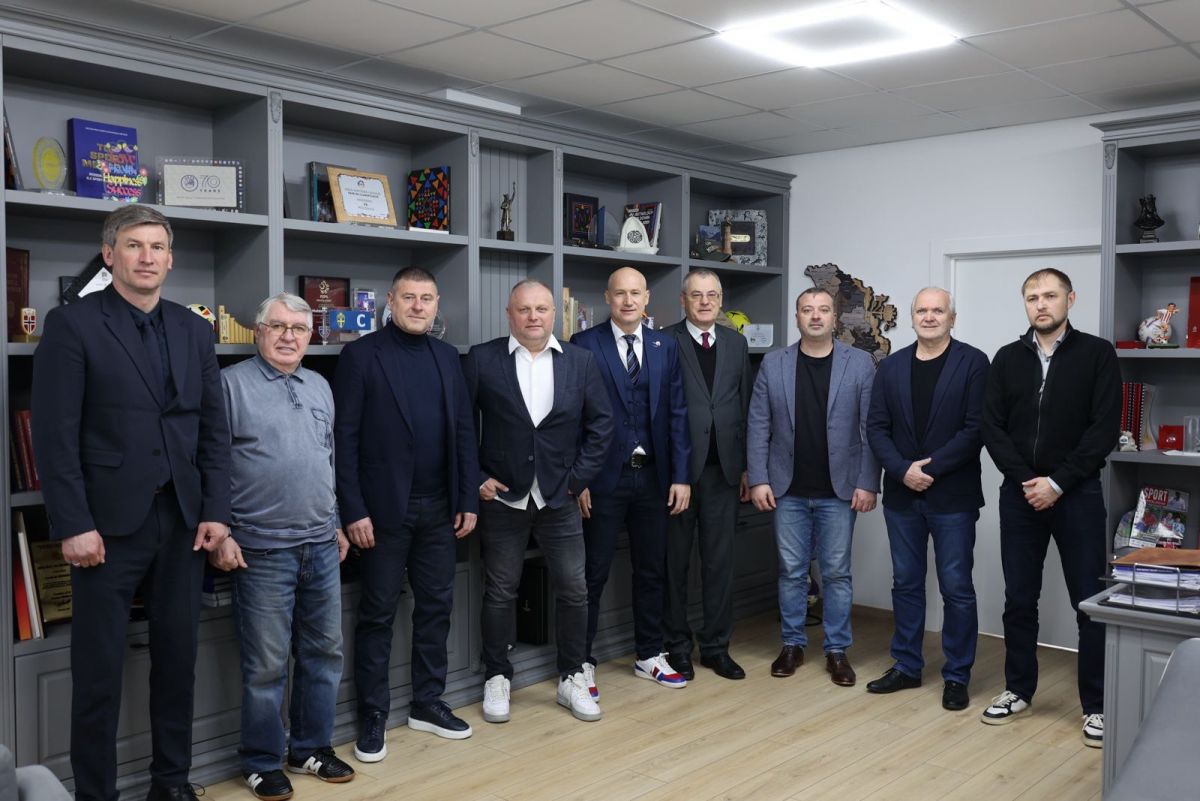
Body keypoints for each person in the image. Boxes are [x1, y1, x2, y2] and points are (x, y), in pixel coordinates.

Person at [31, 205, 231, 801]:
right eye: (135, 245)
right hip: (105, 528)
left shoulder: (194, 328)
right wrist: (73, 523)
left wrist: (216, 511)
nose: (147, 257)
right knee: (97, 675)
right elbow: (55, 435)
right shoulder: (72, 324)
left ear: (171, 258)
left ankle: (171, 785)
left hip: (184, 521)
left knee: (177, 664)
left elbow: (213, 431)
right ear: (110, 254)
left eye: (158, 247)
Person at [212, 293, 354, 800]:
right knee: (266, 665)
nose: (289, 336)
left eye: (298, 328)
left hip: (321, 546)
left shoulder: (320, 386)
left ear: (310, 336)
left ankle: (310, 748)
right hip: (260, 550)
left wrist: (337, 524)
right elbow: (211, 465)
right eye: (278, 326)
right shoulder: (230, 385)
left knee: (324, 654)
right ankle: (261, 761)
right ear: (259, 331)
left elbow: (328, 460)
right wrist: (222, 533)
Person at [333, 267, 479, 760]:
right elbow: (344, 440)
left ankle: (427, 702)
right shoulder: (360, 356)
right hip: (380, 514)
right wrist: (352, 510)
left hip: (441, 509)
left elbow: (465, 433)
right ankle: (373, 715)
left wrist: (467, 499)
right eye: (409, 298)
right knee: (376, 614)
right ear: (390, 302)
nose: (418, 306)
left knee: (436, 608)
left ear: (437, 305)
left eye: (427, 298)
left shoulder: (447, 357)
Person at [980, 268, 1120, 748]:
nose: (1041, 304)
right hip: (1020, 496)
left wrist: (1058, 482)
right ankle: (1018, 689)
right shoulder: (1006, 358)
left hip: (1077, 494)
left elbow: (1104, 429)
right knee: (1019, 598)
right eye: (1032, 297)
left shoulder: (1097, 354)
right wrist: (1028, 482)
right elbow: (992, 427)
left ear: (1070, 300)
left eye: (1050, 296)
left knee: (1090, 601)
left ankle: (1096, 705)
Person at [463, 280, 613, 723]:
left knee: (574, 588)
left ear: (555, 315)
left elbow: (602, 426)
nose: (533, 317)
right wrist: (477, 478)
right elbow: (460, 427)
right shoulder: (482, 359)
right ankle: (497, 675)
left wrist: (577, 479)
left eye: (542, 309)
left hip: (560, 496)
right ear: (509, 314)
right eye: (524, 309)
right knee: (500, 590)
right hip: (501, 497)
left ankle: (572, 675)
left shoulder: (581, 362)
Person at [864, 287, 989, 711]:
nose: (930, 317)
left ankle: (957, 675)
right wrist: (903, 470)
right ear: (913, 317)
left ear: (952, 318)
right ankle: (906, 666)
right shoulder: (891, 366)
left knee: (957, 587)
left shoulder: (973, 362)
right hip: (903, 496)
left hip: (953, 496)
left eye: (938, 310)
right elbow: (876, 427)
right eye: (922, 310)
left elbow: (975, 429)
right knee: (906, 583)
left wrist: (928, 469)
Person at [569, 266, 692, 696]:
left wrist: (681, 477)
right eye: (619, 293)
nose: (627, 301)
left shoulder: (665, 346)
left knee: (651, 570)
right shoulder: (584, 344)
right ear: (607, 297)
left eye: (635, 293)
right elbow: (573, 417)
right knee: (592, 573)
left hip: (654, 479)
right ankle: (580, 662)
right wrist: (579, 479)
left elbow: (678, 414)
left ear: (647, 299)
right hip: (602, 480)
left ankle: (649, 654)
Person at [747, 287, 879, 686]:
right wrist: (759, 478)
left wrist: (868, 482)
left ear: (834, 317)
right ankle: (792, 644)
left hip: (839, 490)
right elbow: (758, 424)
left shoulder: (860, 364)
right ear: (797, 317)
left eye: (823, 310)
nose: (816, 316)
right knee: (791, 571)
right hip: (786, 488)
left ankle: (837, 650)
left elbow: (871, 428)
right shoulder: (774, 363)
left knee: (837, 573)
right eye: (808, 310)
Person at [662, 269, 751, 681]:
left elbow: (745, 406)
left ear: (721, 300)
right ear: (683, 300)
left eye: (711, 295)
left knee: (720, 565)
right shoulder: (664, 341)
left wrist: (747, 467)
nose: (704, 302)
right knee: (675, 565)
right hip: (678, 474)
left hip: (724, 473)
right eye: (696, 295)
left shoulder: (736, 343)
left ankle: (716, 648)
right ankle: (677, 647)